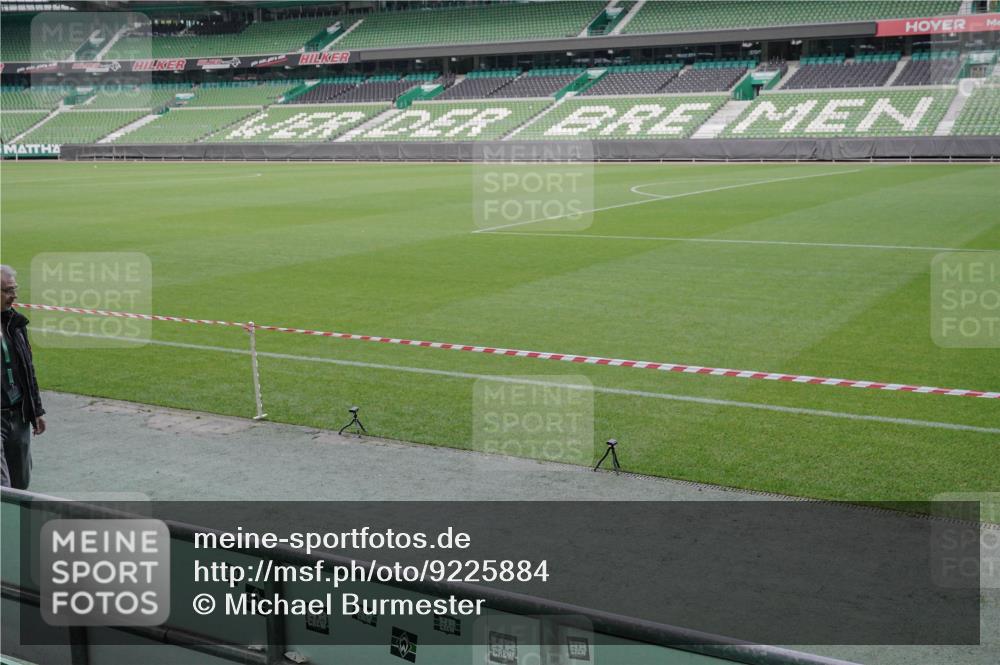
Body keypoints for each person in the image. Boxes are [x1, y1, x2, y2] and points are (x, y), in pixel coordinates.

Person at [2, 265, 46, 489]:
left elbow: (28, 369)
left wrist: (36, 410)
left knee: (21, 484)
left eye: (14, 289)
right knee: (3, 486)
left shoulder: (16, 324)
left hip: (18, 415)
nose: (14, 295)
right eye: (8, 290)